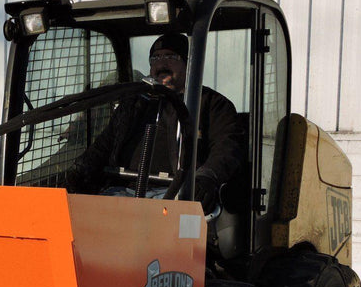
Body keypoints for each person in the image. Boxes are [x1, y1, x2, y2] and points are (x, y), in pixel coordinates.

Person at [65, 33, 244, 213]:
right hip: (123, 191)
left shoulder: (211, 104)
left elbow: (226, 148)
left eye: (170, 57)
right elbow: (105, 143)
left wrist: (206, 177)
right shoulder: (134, 103)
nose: (161, 63)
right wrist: (80, 168)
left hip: (176, 193)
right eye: (156, 58)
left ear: (189, 63)